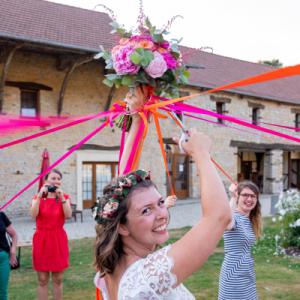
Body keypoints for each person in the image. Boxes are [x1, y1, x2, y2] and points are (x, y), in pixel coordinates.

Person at [92, 86, 232, 299]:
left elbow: (122, 187)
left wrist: (138, 119)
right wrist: (201, 153)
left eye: (159, 203)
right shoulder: (147, 278)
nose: (162, 214)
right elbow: (219, 217)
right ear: (122, 227)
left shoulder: (113, 264)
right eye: (146, 211)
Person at [31, 169, 72, 300]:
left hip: (57, 239)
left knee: (58, 278)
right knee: (42, 279)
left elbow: (68, 215)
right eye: (53, 178)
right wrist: (39, 196)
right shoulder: (38, 197)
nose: (56, 181)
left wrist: (62, 199)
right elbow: (33, 215)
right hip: (41, 239)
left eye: (58, 178)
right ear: (46, 180)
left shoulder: (64, 197)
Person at [218, 181, 262, 300]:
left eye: (253, 196)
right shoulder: (234, 217)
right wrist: (232, 197)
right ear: (238, 196)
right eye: (245, 195)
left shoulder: (248, 219)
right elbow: (226, 222)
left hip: (247, 273)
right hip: (233, 274)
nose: (249, 199)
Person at [0, 211, 18, 300]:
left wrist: (13, 251)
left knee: (2, 292)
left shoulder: (1, 215)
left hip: (3, 259)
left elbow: (14, 235)